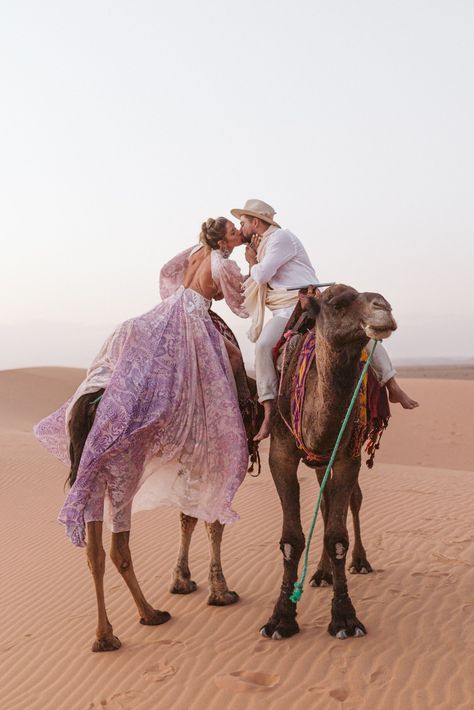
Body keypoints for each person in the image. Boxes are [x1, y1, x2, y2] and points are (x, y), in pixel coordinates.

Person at [34, 217, 250, 547]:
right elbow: (241, 304)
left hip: (172, 305)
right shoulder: (223, 262)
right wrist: (251, 272)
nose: (239, 235)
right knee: (233, 358)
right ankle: (241, 419)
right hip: (194, 316)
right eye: (234, 232)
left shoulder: (195, 250)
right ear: (222, 240)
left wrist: (184, 292)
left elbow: (168, 271)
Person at [231, 199, 419, 441]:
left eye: (243, 223)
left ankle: (391, 384)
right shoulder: (264, 245)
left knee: (359, 332)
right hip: (282, 311)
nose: (241, 228)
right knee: (264, 346)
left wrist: (252, 262)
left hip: (304, 304)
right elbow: (255, 281)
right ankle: (270, 408)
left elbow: (262, 274)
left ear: (255, 222)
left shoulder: (280, 238)